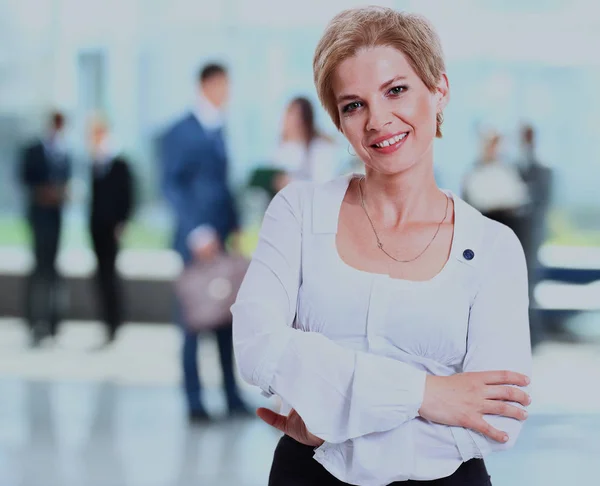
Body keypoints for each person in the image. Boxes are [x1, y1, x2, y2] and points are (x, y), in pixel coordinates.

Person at [232, 7, 532, 486]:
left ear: (439, 91)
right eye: (353, 105)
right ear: (339, 122)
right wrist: (427, 394)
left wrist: (334, 413)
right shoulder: (298, 212)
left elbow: (495, 420)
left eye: (396, 90)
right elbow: (259, 348)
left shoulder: (494, 248)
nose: (377, 120)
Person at [160, 63, 250, 422]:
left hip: (222, 241)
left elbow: (223, 186)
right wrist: (197, 230)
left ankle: (230, 396)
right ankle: (195, 401)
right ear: (205, 85)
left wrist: (236, 227)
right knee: (193, 321)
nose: (226, 92)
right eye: (222, 85)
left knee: (225, 320)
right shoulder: (180, 131)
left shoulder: (218, 129)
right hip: (194, 242)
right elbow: (171, 185)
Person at [20, 111, 72, 346]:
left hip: (56, 217)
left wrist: (62, 194)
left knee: (52, 269)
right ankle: (34, 321)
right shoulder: (33, 150)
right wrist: (43, 192)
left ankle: (52, 322)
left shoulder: (64, 153)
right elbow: (25, 178)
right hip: (39, 216)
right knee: (39, 268)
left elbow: (66, 182)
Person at [87, 115, 134, 346]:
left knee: (110, 274)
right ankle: (107, 321)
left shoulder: (118, 162)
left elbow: (128, 194)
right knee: (101, 275)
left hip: (111, 226)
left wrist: (122, 221)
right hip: (96, 226)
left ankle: (115, 321)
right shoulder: (94, 162)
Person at [516, 124, 553, 348]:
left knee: (530, 284)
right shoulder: (515, 166)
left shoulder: (544, 168)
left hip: (532, 233)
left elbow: (542, 203)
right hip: (517, 231)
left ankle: (535, 336)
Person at [462, 130, 530, 235]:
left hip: (508, 221)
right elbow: (479, 200)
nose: (495, 150)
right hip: (486, 221)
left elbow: (518, 196)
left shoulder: (506, 170)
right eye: (491, 145)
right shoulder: (475, 172)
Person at [272, 96, 339, 191]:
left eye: (297, 118)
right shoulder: (284, 147)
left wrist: (290, 182)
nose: (291, 123)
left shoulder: (320, 147)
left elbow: (323, 184)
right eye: (289, 116)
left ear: (306, 121)